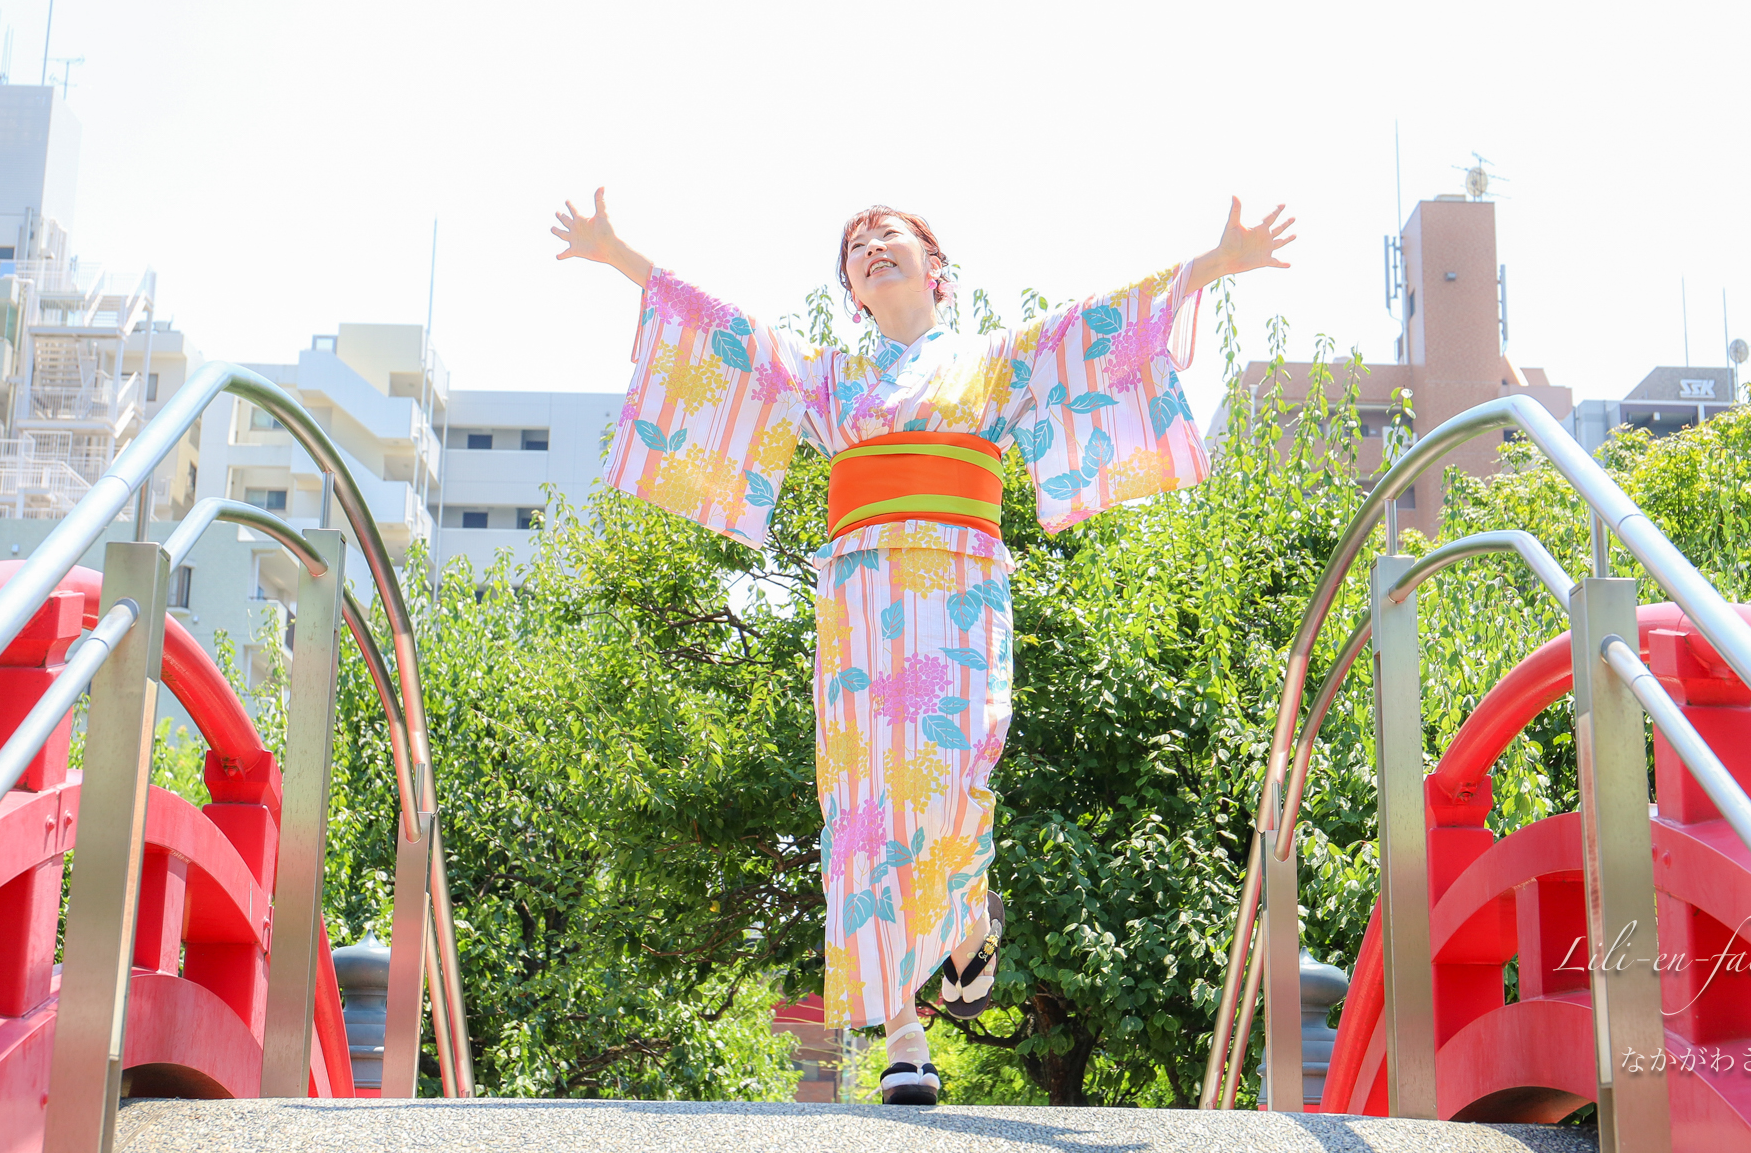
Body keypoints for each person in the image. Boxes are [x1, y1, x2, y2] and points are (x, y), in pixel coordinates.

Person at [552, 189, 1295, 1104]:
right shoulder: (829, 379)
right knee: (865, 803)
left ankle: (969, 918)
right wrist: (621, 254)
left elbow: (1098, 323)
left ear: (936, 269)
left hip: (958, 581)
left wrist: (1216, 263)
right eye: (854, 249)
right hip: (862, 589)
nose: (869, 248)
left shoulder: (995, 361)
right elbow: (732, 335)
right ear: (853, 294)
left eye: (886, 235)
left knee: (957, 769)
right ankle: (905, 1035)